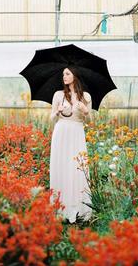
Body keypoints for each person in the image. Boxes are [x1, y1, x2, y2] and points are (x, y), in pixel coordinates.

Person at [49, 66, 93, 223]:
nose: (64, 76)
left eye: (67, 73)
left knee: (76, 169)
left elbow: (90, 122)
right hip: (61, 133)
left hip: (76, 133)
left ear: (75, 75)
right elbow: (51, 119)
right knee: (61, 167)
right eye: (63, 74)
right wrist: (57, 111)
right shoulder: (58, 95)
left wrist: (85, 112)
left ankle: (78, 208)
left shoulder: (85, 97)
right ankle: (61, 208)